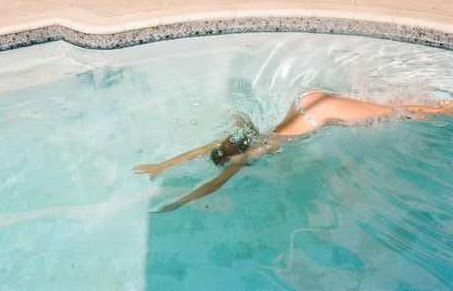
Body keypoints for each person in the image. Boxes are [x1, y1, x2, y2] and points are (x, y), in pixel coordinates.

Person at [133, 89, 452, 213]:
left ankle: (444, 108)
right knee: (384, 107)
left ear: (231, 157)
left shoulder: (244, 156)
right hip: (304, 102)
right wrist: (160, 166)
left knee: (396, 112)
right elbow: (199, 150)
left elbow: (213, 185)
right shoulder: (238, 138)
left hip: (319, 112)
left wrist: (177, 202)